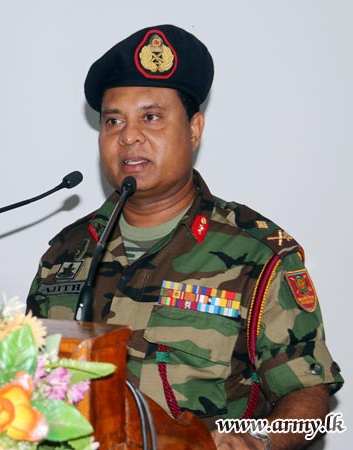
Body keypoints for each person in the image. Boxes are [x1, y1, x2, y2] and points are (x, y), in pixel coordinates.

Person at [26, 24, 343, 449]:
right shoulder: (66, 252)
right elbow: (26, 379)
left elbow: (309, 393)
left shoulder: (257, 254)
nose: (128, 136)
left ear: (194, 129)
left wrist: (260, 440)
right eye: (114, 121)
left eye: (151, 117)